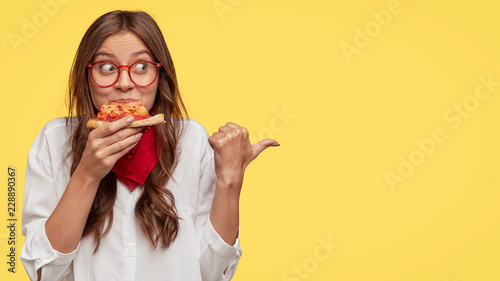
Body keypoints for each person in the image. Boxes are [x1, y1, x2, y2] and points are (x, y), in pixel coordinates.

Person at [20, 10, 279, 281]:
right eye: (107, 68)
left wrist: (230, 179)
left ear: (160, 74)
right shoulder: (54, 140)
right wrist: (87, 174)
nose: (123, 83)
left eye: (141, 67)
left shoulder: (191, 140)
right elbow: (43, 272)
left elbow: (209, 273)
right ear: (86, 75)